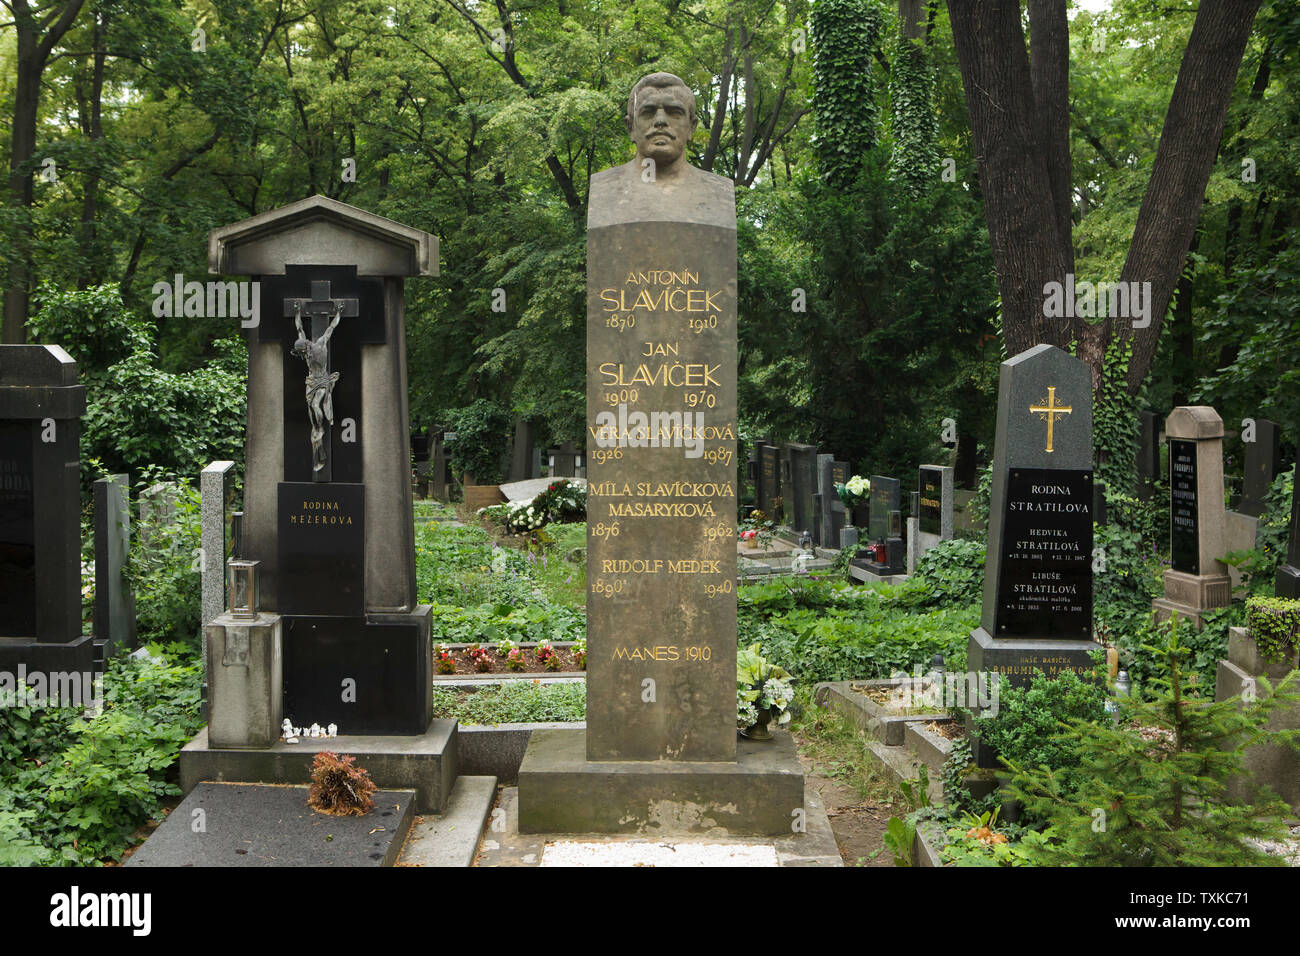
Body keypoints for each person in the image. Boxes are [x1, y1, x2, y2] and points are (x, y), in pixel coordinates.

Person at [290, 300, 342, 472]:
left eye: (303, 353)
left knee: (315, 405)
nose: (303, 356)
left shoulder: (320, 344)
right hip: (311, 382)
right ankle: (316, 435)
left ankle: (319, 429)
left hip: (322, 381)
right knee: (310, 410)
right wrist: (297, 311)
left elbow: (331, 328)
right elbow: (299, 327)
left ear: (307, 347)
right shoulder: (304, 345)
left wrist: (338, 313)